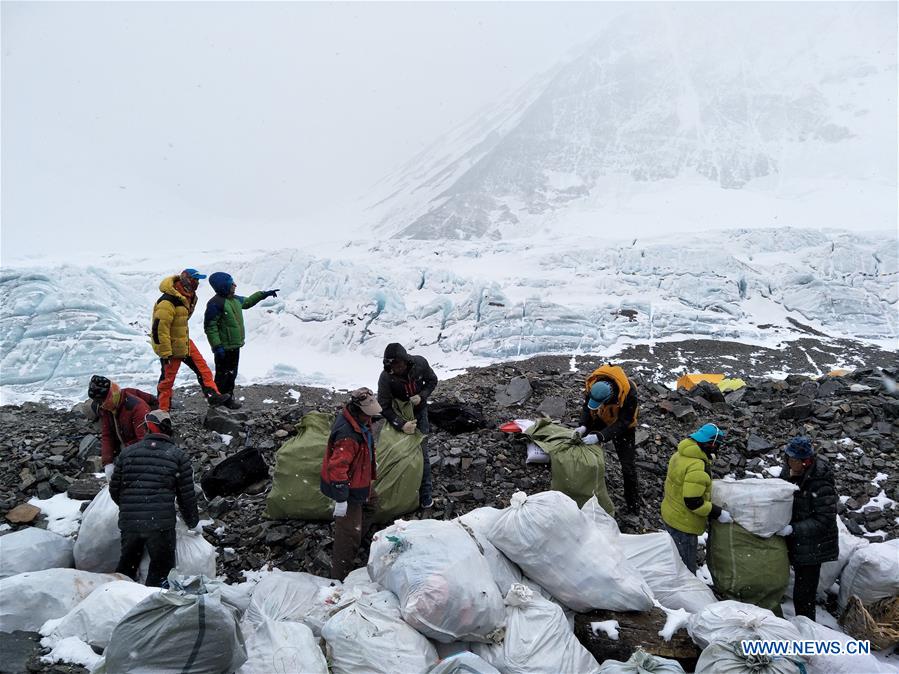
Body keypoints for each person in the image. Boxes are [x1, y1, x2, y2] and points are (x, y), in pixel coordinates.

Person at [109, 410, 199, 587]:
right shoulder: (178, 456)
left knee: (127, 568)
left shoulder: (127, 453)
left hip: (130, 523)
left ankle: (119, 602)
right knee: (160, 572)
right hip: (160, 527)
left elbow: (114, 489)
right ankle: (151, 607)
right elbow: (186, 497)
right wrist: (192, 522)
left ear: (149, 428)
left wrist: (130, 507)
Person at [320, 388, 382, 580]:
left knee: (372, 505)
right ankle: (339, 578)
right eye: (367, 414)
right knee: (347, 535)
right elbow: (337, 468)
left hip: (360, 480)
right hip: (349, 487)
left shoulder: (360, 421)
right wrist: (341, 499)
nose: (370, 418)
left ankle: (358, 536)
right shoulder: (347, 435)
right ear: (357, 410)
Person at [151, 268, 229, 411]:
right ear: (186, 279)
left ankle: (213, 396)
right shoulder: (168, 302)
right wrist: (165, 352)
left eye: (198, 280)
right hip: (171, 346)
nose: (197, 282)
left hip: (184, 341)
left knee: (203, 369)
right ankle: (162, 411)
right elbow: (159, 329)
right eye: (195, 279)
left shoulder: (188, 296)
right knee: (167, 380)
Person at [660, 423, 732, 573]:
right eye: (716, 446)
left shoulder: (680, 454)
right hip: (683, 524)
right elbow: (693, 502)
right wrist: (718, 513)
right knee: (685, 569)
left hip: (670, 515)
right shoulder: (697, 465)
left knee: (674, 558)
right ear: (710, 445)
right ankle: (686, 592)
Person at [780, 436, 838, 621]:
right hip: (797, 539)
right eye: (788, 458)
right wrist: (789, 478)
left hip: (814, 545)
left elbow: (824, 520)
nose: (789, 462)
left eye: (793, 460)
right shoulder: (792, 470)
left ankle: (807, 632)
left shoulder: (820, 483)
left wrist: (793, 529)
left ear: (805, 461)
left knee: (804, 595)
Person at [377, 343, 438, 509]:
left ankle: (425, 496)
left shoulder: (419, 363)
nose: (397, 369)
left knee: (422, 452)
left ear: (406, 361)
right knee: (398, 451)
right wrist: (401, 424)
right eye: (392, 365)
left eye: (399, 364)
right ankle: (401, 492)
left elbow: (432, 380)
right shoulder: (386, 378)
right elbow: (383, 406)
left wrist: (422, 396)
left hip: (420, 412)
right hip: (400, 414)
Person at [203, 272, 279, 407]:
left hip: (234, 345)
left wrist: (263, 294)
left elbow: (248, 302)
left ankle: (228, 399)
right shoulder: (215, 303)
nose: (235, 285)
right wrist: (216, 346)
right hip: (223, 347)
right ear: (223, 286)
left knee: (232, 374)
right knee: (222, 375)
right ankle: (218, 400)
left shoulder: (235, 299)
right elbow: (210, 327)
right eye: (231, 283)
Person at [574, 364, 641, 513]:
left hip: (625, 428)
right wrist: (584, 426)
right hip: (603, 417)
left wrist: (600, 436)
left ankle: (633, 505)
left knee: (628, 467)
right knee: (580, 444)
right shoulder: (594, 385)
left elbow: (624, 422)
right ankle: (583, 488)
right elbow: (587, 407)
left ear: (609, 397)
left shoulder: (629, 393)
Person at [87, 375, 157, 479]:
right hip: (125, 448)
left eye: (102, 401)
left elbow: (144, 442)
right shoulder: (106, 408)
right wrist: (108, 462)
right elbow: (107, 435)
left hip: (140, 452)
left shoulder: (137, 408)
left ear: (110, 395)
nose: (101, 405)